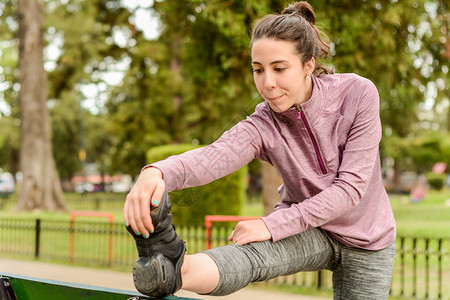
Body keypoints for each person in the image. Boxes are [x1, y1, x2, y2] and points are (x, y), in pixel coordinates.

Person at [123, 1, 397, 299]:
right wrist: (158, 172)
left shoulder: (357, 94)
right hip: (311, 228)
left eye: (279, 69)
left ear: (308, 65)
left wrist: (272, 224)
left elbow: (350, 189)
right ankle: (176, 269)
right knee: (253, 256)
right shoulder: (264, 123)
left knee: (263, 232)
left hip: (368, 240)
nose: (267, 83)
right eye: (258, 69)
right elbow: (214, 156)